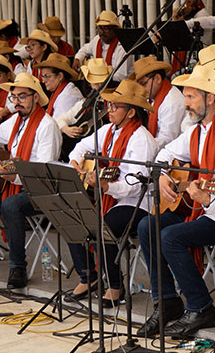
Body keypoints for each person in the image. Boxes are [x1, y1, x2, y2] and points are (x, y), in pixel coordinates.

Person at [136, 65, 215, 338]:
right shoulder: (198, 131)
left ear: (210, 98)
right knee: (147, 226)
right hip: (204, 211)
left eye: (191, 97)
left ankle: (201, 307)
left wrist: (210, 197)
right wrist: (164, 175)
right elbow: (165, 152)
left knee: (171, 236)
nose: (186, 103)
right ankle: (166, 300)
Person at [67, 79, 157, 305]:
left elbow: (136, 183)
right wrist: (76, 163)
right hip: (110, 196)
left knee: (101, 227)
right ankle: (89, 276)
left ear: (131, 113)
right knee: (71, 217)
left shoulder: (141, 138)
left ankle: (116, 287)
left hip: (137, 203)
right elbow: (80, 147)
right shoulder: (108, 130)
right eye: (109, 104)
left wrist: (107, 187)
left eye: (116, 106)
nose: (110, 109)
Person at [0, 73, 62, 289]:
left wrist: (15, 177)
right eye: (13, 97)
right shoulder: (15, 121)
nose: (17, 102)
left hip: (42, 190)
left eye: (22, 96)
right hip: (15, 186)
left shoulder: (47, 126)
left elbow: (43, 171)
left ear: (36, 98)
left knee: (11, 205)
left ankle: (17, 266)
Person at [131, 56, 186, 151]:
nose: (141, 90)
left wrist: (141, 145)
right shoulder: (155, 96)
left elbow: (168, 140)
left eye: (143, 84)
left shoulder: (171, 102)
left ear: (157, 78)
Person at [73, 11, 133, 82]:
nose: (102, 32)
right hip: (99, 82)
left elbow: (121, 76)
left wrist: (100, 77)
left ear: (115, 29)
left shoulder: (123, 46)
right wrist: (78, 59)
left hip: (119, 84)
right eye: (100, 28)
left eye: (106, 28)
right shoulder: (97, 40)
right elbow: (84, 50)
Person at [171, 0, 212, 73]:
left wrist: (178, 25)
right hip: (187, 62)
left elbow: (186, 39)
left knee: (172, 78)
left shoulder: (202, 14)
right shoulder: (188, 13)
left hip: (197, 63)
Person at [34, 53, 84, 119]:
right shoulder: (62, 91)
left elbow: (56, 124)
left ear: (60, 76)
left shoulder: (67, 95)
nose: (43, 81)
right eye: (43, 77)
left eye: (47, 76)